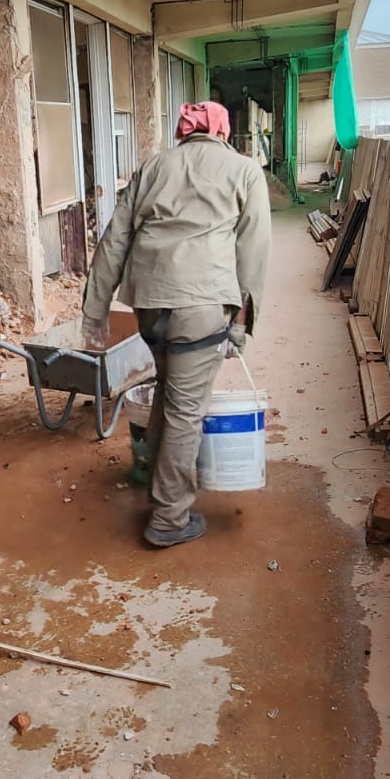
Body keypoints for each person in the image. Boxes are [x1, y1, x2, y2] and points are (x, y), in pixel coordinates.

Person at [82, 99, 271, 547]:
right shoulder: (244, 171)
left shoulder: (152, 167)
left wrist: (95, 312)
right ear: (222, 133)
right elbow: (254, 252)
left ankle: (153, 475)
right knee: (187, 409)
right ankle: (169, 518)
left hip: (150, 306)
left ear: (185, 133)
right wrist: (241, 325)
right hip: (201, 307)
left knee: (170, 389)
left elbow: (114, 242)